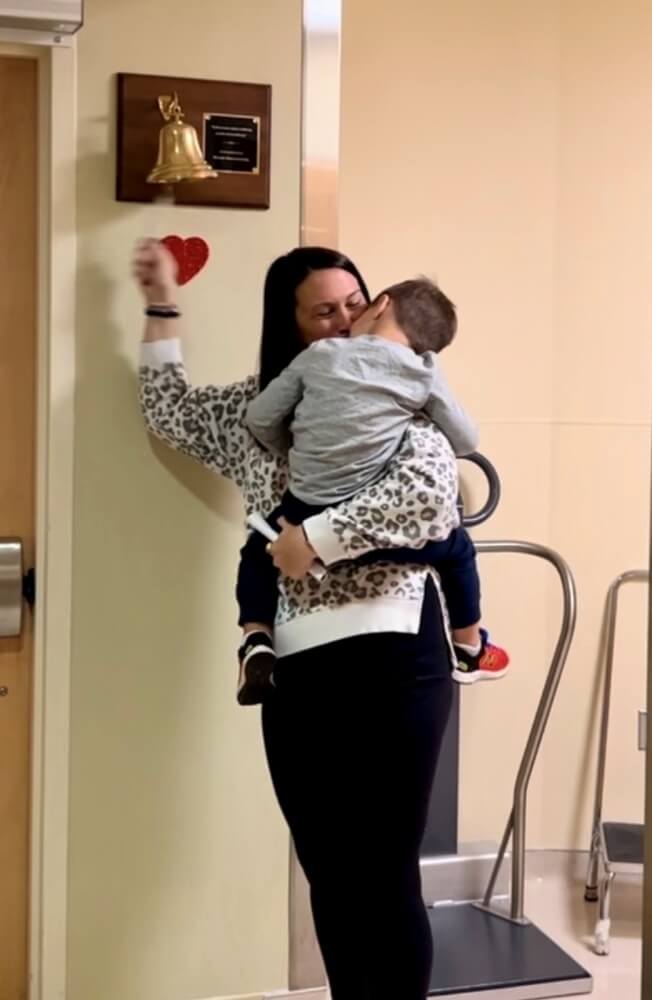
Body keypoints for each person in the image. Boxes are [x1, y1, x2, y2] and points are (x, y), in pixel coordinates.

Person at [133, 239, 460, 1000]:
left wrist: (311, 539)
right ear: (292, 328)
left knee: (385, 871)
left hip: (397, 654)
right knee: (329, 869)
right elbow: (166, 408)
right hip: (300, 667)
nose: (346, 324)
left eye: (357, 304)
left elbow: (429, 501)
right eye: (325, 311)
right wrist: (160, 303)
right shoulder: (257, 411)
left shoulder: (403, 391)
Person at [236, 277, 509, 704]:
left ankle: (256, 640)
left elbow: (259, 417)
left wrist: (289, 448)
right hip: (376, 525)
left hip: (304, 506)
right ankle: (470, 646)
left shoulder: (319, 355)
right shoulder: (422, 371)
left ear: (379, 305)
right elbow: (466, 440)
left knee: (257, 551)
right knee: (458, 552)